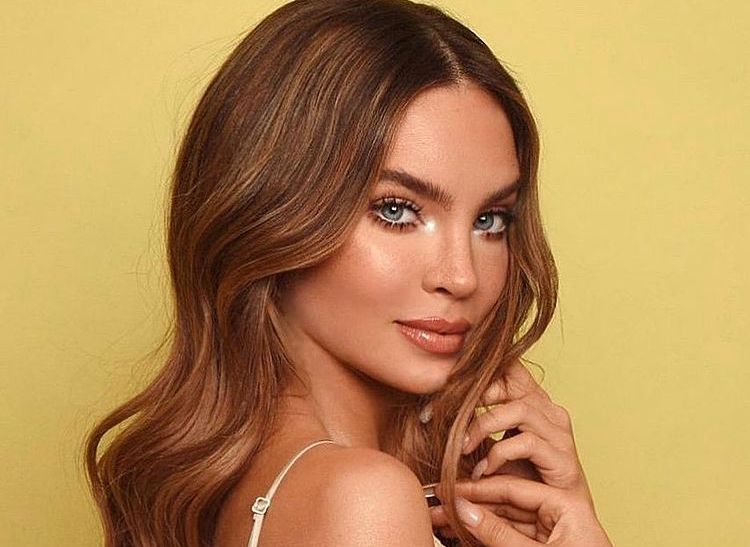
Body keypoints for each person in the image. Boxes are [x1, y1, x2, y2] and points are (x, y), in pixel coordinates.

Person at [84, 1, 613, 545]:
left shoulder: (271, 483)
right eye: (396, 210)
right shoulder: (363, 499)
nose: (462, 277)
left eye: (489, 220)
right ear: (273, 215)